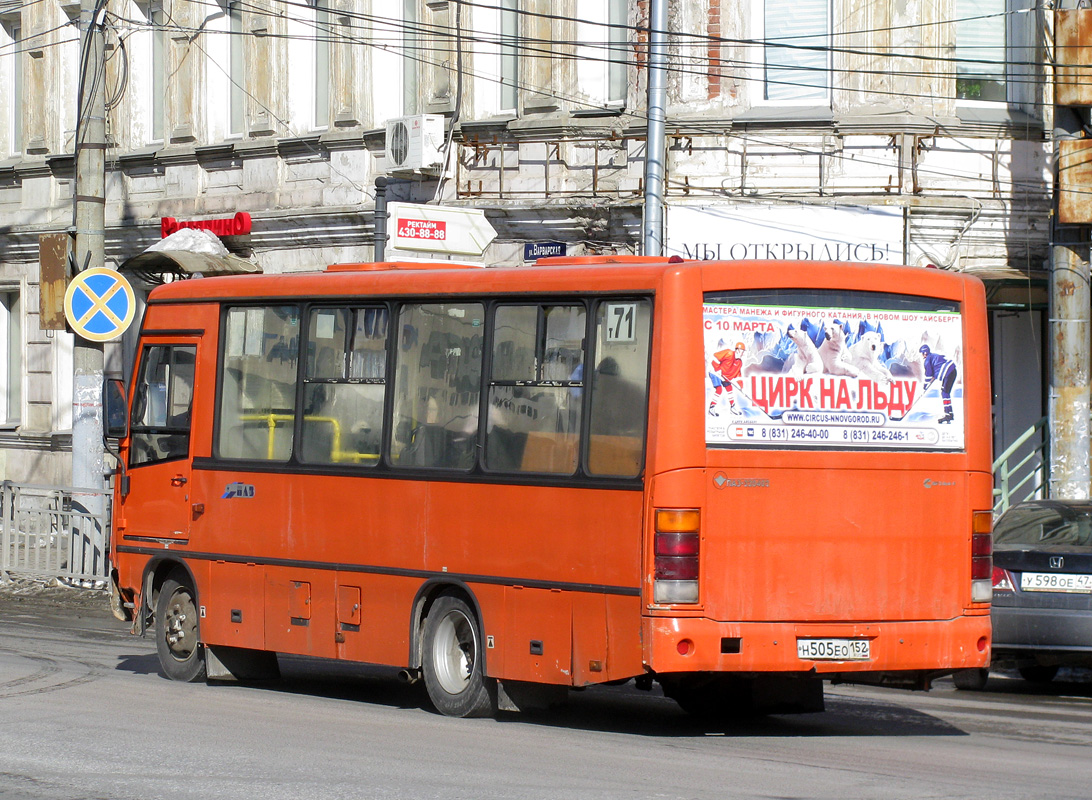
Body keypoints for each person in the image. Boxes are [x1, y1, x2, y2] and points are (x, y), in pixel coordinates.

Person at [919, 344, 958, 424]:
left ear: (925, 353)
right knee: (945, 392)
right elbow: (933, 374)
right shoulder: (933, 356)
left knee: (945, 393)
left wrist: (925, 387)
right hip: (952, 371)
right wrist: (927, 385)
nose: (922, 355)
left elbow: (928, 375)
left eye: (922, 353)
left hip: (948, 373)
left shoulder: (927, 361)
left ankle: (948, 414)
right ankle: (949, 413)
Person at [709, 341, 746, 416]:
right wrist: (717, 369)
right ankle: (711, 408)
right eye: (742, 351)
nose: (743, 353)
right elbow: (714, 357)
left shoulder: (739, 362)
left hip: (725, 376)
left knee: (729, 388)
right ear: (738, 350)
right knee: (719, 389)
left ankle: (733, 408)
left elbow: (738, 374)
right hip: (716, 373)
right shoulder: (729, 353)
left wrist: (741, 387)